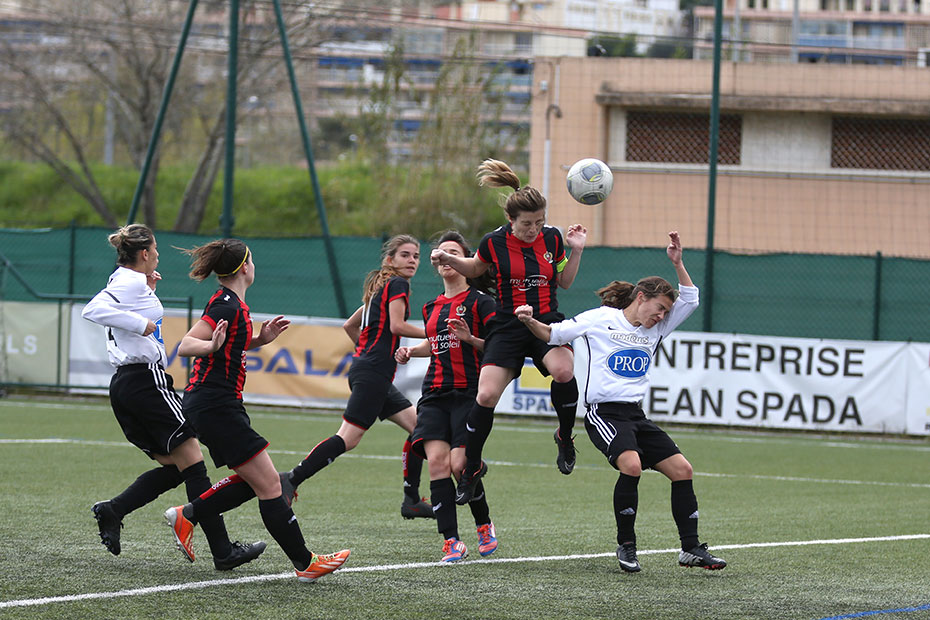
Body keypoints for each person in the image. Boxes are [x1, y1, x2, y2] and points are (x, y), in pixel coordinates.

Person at [514, 231, 727, 573]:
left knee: (683, 470)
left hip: (636, 416)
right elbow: (554, 334)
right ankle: (627, 545)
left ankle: (690, 549)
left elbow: (691, 298)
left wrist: (677, 263)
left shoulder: (656, 329)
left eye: (666, 312)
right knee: (631, 465)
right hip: (603, 414)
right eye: (659, 308)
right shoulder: (601, 318)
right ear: (641, 298)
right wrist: (528, 321)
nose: (662, 316)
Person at [163, 239, 350, 583]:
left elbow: (228, 343)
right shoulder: (227, 305)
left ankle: (189, 514)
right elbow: (187, 344)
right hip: (215, 404)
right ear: (246, 267)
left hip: (217, 403)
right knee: (270, 485)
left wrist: (260, 340)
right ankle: (305, 562)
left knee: (260, 481)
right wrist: (211, 345)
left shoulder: (232, 304)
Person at [81, 224, 265, 571]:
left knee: (178, 466)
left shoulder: (129, 281)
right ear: (144, 253)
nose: (158, 255)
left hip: (127, 384)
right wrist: (140, 323)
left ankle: (114, 509)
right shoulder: (129, 282)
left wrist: (147, 293)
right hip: (145, 380)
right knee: (193, 462)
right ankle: (223, 550)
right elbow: (92, 310)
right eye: (155, 250)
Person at [430, 159, 587, 504]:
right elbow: (475, 268)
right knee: (486, 396)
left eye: (539, 222)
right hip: (506, 326)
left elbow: (564, 280)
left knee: (564, 371)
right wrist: (449, 259)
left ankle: (564, 436)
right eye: (527, 223)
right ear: (510, 219)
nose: (534, 229)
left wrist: (576, 250)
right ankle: (471, 468)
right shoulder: (493, 242)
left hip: (546, 321)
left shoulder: (552, 239)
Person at [283, 234, 433, 520]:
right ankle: (291, 479)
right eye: (405, 255)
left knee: (420, 428)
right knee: (349, 438)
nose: (412, 260)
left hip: (370, 371)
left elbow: (350, 326)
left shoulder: (380, 287)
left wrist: (366, 353)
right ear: (390, 259)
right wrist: (435, 331)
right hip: (373, 373)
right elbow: (397, 326)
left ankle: (412, 500)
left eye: (416, 256)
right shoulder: (397, 284)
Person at [395, 231, 499, 562]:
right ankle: (451, 541)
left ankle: (483, 524)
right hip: (434, 394)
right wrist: (411, 351)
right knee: (438, 463)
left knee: (459, 465)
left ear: (467, 261)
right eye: (441, 252)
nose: (445, 258)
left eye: (453, 252)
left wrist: (470, 339)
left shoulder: (482, 303)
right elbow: (436, 342)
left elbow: (499, 347)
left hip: (469, 393)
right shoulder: (432, 307)